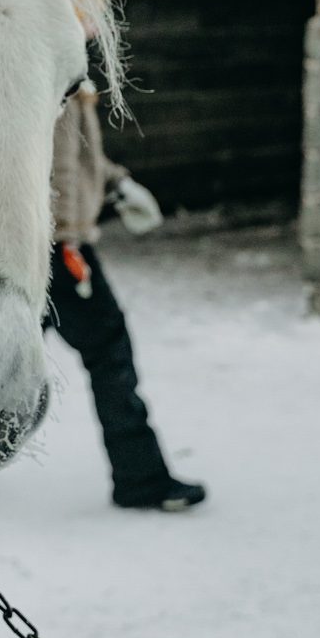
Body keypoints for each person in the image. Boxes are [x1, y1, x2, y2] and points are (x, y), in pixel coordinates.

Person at [45, 83, 206, 512]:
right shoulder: (48, 64)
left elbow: (77, 155)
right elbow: (42, 158)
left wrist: (117, 185)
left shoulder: (68, 65)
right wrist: (63, 234)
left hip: (58, 243)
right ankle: (140, 478)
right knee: (109, 353)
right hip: (53, 245)